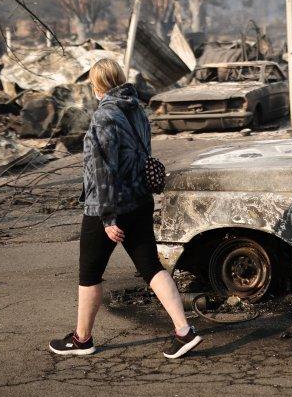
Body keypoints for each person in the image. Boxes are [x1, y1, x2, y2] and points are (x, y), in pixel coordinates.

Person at [49, 58, 202, 359]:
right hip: (140, 201)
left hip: (107, 207)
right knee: (151, 267)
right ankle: (184, 331)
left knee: (89, 274)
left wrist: (107, 218)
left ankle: (82, 340)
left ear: (97, 85)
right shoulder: (137, 110)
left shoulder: (105, 116)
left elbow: (104, 170)